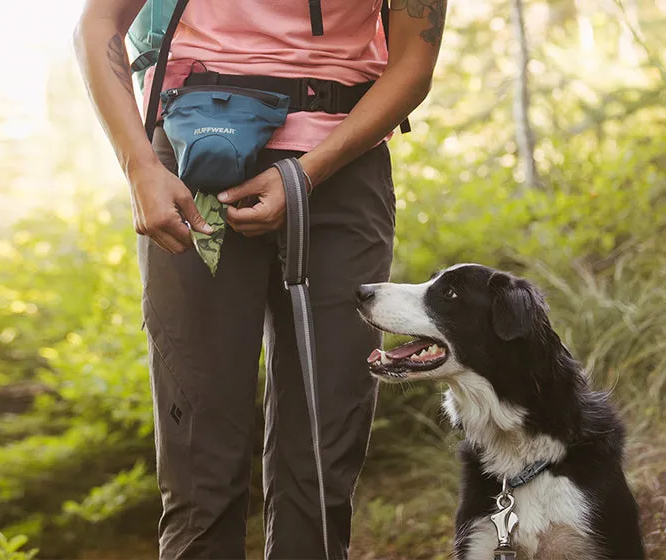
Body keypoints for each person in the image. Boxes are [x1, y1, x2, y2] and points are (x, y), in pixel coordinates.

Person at [74, 1, 446, 557]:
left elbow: (414, 61)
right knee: (199, 462)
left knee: (323, 459)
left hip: (343, 167)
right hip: (193, 159)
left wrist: (308, 171)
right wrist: (139, 166)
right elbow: (98, 22)